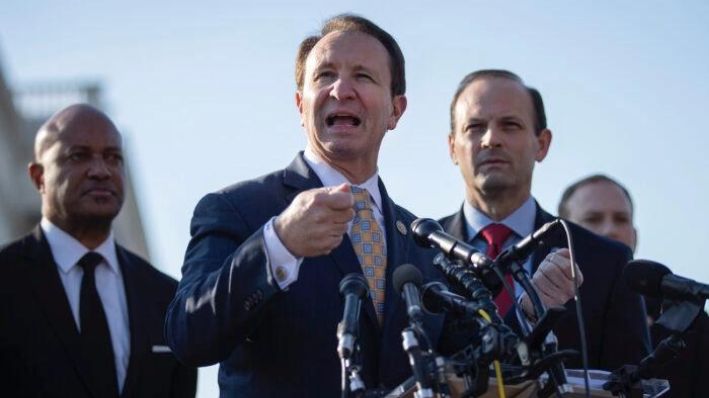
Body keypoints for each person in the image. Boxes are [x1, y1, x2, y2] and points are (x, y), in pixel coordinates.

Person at [166, 15, 460, 397]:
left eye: (363, 76)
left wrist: (530, 309)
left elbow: (466, 359)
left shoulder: (422, 241)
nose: (342, 89)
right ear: (300, 103)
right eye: (324, 76)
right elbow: (188, 335)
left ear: (395, 110)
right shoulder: (236, 210)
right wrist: (278, 245)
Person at [440, 69, 650, 371]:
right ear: (452, 147)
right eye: (475, 127)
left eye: (510, 125)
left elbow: (632, 382)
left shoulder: (605, 261)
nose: (491, 139)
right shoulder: (416, 253)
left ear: (542, 144)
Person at [0, 104, 197, 398]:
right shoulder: (6, 280)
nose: (101, 171)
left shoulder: (167, 299)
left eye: (113, 157)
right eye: (79, 156)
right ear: (39, 177)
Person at [560, 174, 709, 397]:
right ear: (564, 236)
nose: (610, 229)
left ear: (635, 235)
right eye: (593, 219)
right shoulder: (544, 313)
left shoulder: (687, 320)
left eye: (621, 219)